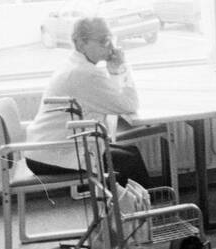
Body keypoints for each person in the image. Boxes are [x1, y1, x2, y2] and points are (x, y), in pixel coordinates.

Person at [25, 16, 151, 190]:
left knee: (131, 152)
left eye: (110, 39)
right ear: (82, 43)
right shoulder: (85, 74)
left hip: (47, 150)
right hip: (53, 154)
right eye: (103, 41)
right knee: (128, 162)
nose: (110, 47)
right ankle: (140, 213)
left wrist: (114, 71)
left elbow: (113, 99)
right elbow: (129, 104)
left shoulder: (77, 66)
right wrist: (121, 68)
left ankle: (131, 211)